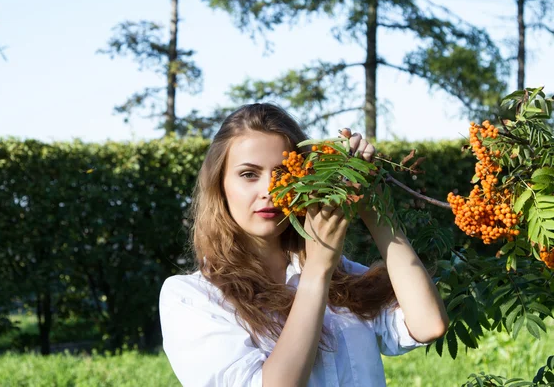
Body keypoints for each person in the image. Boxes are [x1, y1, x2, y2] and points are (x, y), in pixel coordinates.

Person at [159, 103, 449, 387]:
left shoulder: (343, 276)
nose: (271, 190)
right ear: (220, 184)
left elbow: (428, 325)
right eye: (249, 174)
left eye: (284, 172)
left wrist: (376, 209)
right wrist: (316, 273)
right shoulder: (194, 298)